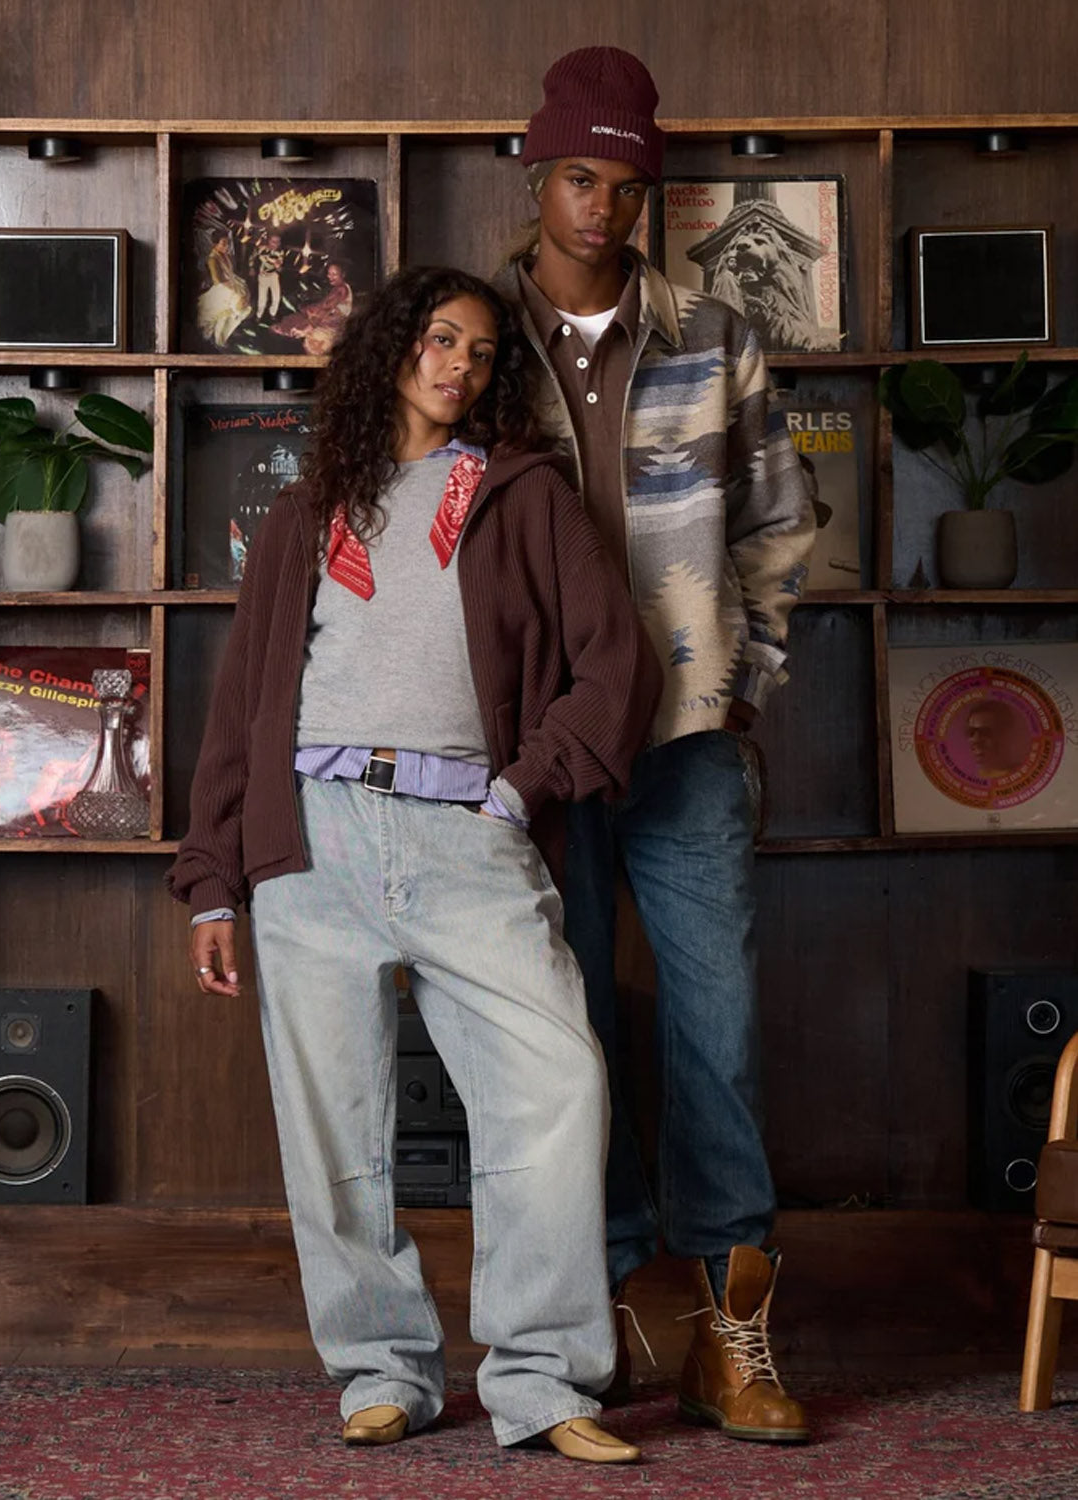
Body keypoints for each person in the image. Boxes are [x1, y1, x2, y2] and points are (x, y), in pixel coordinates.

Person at [167, 265, 662, 1462]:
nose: (459, 366)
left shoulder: (521, 495)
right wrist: (210, 884)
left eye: (483, 353)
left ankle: (543, 1381)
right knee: (332, 1123)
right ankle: (382, 1371)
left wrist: (519, 790)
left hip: (465, 835)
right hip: (311, 841)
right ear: (393, 350)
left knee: (556, 1085)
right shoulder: (304, 517)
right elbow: (242, 717)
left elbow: (617, 667)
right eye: (441, 341)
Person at [498, 47, 817, 1443]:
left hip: (686, 735)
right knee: (554, 1036)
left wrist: (748, 681)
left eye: (626, 185)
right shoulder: (471, 336)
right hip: (529, 746)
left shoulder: (714, 334)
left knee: (715, 1026)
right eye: (580, 176)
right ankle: (624, 1306)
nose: (601, 207)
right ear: (538, 171)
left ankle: (734, 1329)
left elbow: (781, 522)